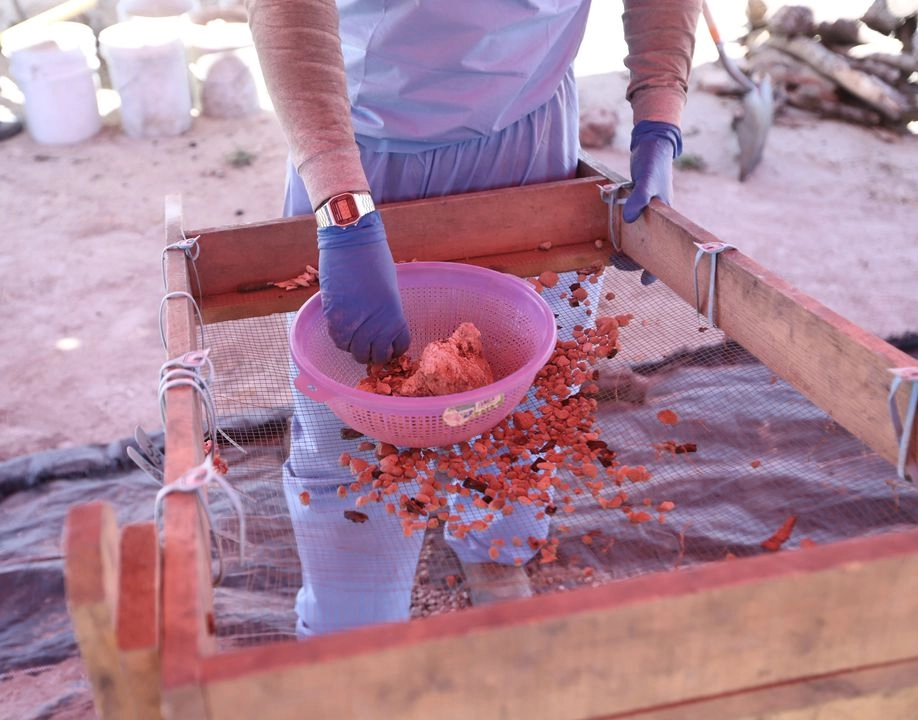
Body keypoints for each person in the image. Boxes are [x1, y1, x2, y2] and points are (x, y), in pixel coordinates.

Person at [245, 0, 701, 636]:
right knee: (353, 415)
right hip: (366, 149)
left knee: (529, 395)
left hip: (529, 139)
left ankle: (496, 549)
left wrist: (659, 119)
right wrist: (341, 207)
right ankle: (353, 624)